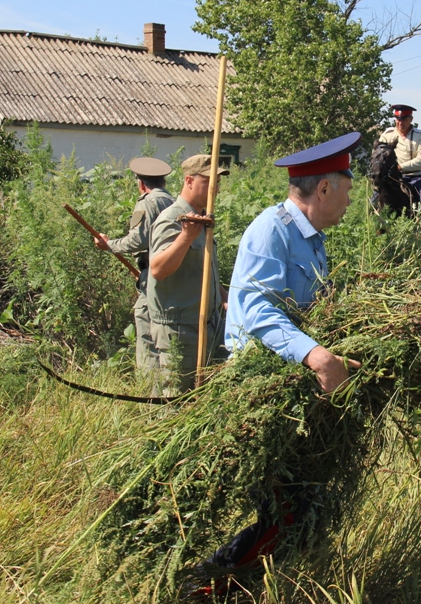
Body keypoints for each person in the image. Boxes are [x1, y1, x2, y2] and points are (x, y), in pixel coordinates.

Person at [187, 133, 363, 592]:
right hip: (263, 392)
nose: (350, 199)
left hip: (293, 390)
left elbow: (310, 306)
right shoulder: (273, 229)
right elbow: (255, 310)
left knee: (300, 506)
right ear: (323, 188)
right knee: (285, 510)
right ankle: (207, 586)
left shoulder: (314, 239)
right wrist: (316, 353)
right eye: (346, 189)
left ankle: (251, 587)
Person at [147, 154, 230, 394]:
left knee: (203, 400)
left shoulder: (202, 220)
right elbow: (158, 270)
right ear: (189, 181)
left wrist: (224, 297)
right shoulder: (174, 220)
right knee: (177, 402)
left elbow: (202, 271)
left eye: (218, 183)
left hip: (207, 325)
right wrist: (185, 237)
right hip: (180, 331)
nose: (216, 189)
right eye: (209, 182)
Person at [94, 156, 175, 374]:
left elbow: (138, 239)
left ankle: (150, 386)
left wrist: (108, 245)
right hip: (172, 273)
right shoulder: (172, 201)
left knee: (148, 328)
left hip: (154, 275)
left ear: (140, 183)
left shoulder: (148, 201)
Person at [378, 104, 421, 205]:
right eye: (398, 119)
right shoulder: (387, 135)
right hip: (390, 179)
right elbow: (378, 156)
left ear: (411, 119)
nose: (400, 122)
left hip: (414, 178)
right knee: (372, 203)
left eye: (404, 119)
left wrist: (400, 167)